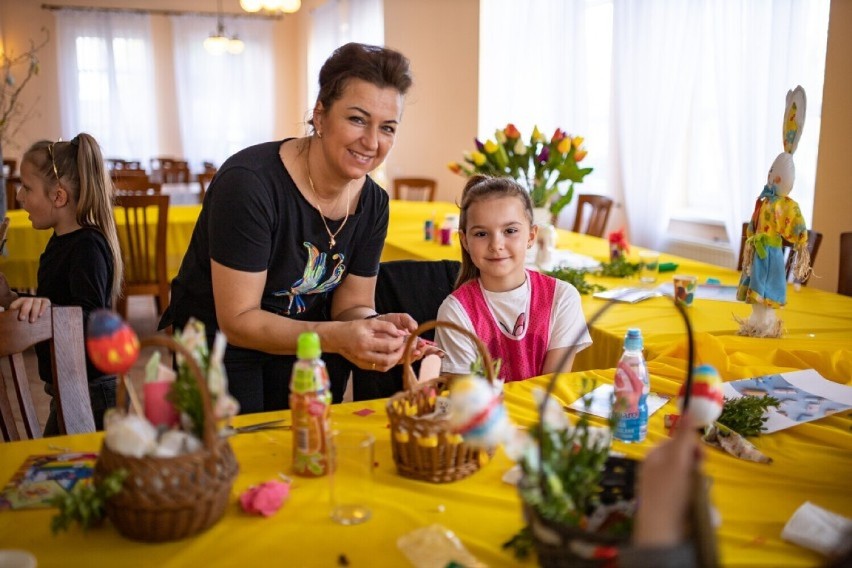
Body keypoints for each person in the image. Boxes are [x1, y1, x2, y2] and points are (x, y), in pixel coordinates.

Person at [161, 42, 432, 414]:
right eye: (357, 119)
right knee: (240, 458)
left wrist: (375, 328)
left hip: (309, 345)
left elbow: (351, 304)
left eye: (387, 127)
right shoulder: (249, 185)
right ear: (319, 116)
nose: (372, 141)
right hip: (221, 345)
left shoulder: (373, 204)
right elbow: (238, 320)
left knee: (309, 450)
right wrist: (339, 337)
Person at [0, 134, 123, 434]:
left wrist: (48, 309)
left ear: (58, 196)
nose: (19, 196)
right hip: (67, 386)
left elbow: (90, 319)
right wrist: (9, 297)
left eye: (27, 188)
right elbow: (53, 306)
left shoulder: (88, 247)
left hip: (92, 394)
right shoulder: (58, 243)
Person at [434, 175, 591, 382]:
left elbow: (552, 389)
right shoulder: (455, 311)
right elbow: (466, 398)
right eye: (481, 234)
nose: (496, 244)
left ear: (531, 236)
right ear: (465, 240)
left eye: (510, 231)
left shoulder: (562, 298)